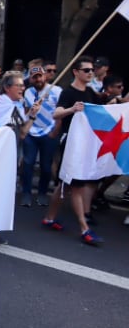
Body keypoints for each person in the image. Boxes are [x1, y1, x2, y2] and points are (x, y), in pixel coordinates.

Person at [42, 58, 105, 246]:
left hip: (85, 144)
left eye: (92, 70)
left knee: (65, 184)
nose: (90, 73)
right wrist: (72, 109)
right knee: (76, 186)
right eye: (86, 70)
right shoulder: (68, 93)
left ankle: (50, 218)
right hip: (71, 144)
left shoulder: (90, 93)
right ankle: (84, 228)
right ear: (76, 72)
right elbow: (56, 114)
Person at [21, 63, 61, 207]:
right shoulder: (28, 92)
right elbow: (25, 112)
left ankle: (42, 193)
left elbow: (59, 113)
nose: (38, 79)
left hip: (48, 132)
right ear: (31, 79)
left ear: (45, 76)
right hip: (31, 132)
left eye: (40, 76)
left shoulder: (56, 90)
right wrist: (30, 114)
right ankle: (26, 192)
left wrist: (55, 130)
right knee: (28, 163)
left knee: (46, 166)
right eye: (34, 77)